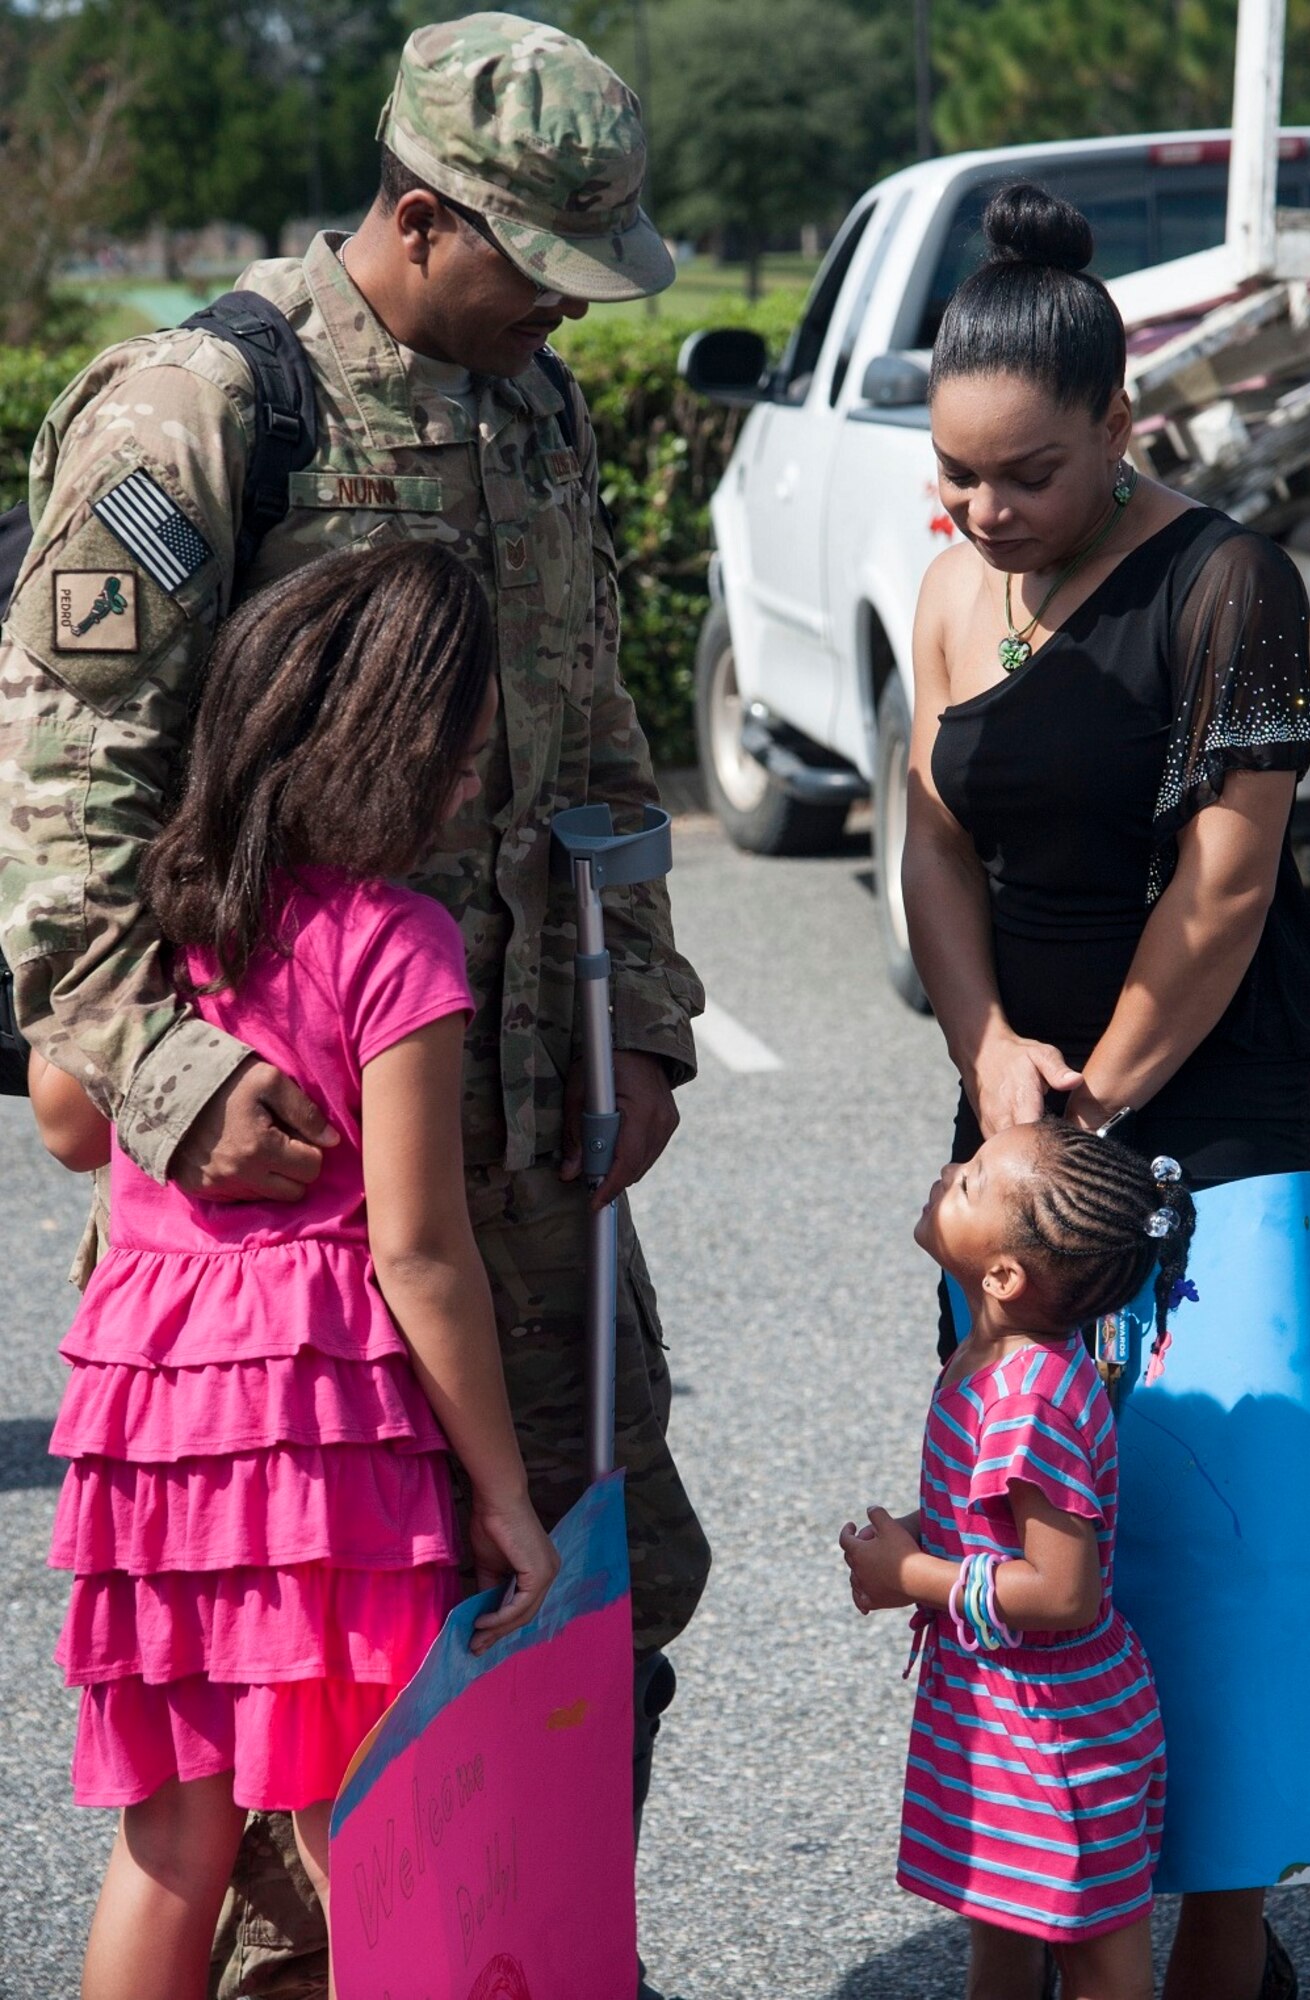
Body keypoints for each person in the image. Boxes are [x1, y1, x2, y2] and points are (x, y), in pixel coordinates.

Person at [0, 16, 709, 2000]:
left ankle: (522, 1956)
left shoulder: (533, 403)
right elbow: (62, 795)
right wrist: (156, 1064)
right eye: (539, 269)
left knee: (592, 1587)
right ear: (418, 217)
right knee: (305, 1677)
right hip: (293, 1193)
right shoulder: (202, 412)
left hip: (527, 1147)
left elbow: (598, 732)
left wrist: (643, 1004)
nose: (568, 313)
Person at [900, 181, 1310, 2000]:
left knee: (1222, 1544)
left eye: (1026, 476)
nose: (987, 514)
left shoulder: (1225, 581)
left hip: (1207, 1103)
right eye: (959, 476)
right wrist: (984, 1055)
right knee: (1022, 1519)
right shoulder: (947, 587)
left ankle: (1222, 1951)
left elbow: (1225, 887)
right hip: (1018, 1104)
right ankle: (1039, 1912)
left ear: (1118, 431)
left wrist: (1096, 1105)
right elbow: (926, 840)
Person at [30, 542, 562, 2000]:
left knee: (169, 1844)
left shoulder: (165, 920)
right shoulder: (399, 943)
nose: (469, 780)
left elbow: (71, 1120)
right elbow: (417, 1244)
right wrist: (506, 1499)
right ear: (385, 750)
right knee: (373, 1830)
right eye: (457, 748)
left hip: (145, 1426)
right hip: (319, 1445)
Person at [840, 1119, 1193, 2000]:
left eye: (969, 1184)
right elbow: (988, 1511)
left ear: (1002, 1275)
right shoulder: (991, 1357)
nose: (949, 1170)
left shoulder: (1026, 1399)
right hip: (1000, 1712)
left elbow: (1064, 1591)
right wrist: (919, 1536)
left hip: (1057, 1731)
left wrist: (911, 1578)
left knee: (1093, 1949)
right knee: (1000, 1914)